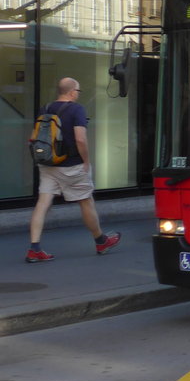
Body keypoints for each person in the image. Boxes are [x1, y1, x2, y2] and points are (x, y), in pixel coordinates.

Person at [26, 78, 121, 263]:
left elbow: (33, 137)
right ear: (71, 92)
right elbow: (80, 139)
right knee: (86, 201)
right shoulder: (77, 109)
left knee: (43, 203)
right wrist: (86, 161)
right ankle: (101, 241)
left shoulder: (45, 108)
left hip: (48, 164)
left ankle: (34, 248)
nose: (78, 93)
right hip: (72, 165)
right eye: (78, 90)